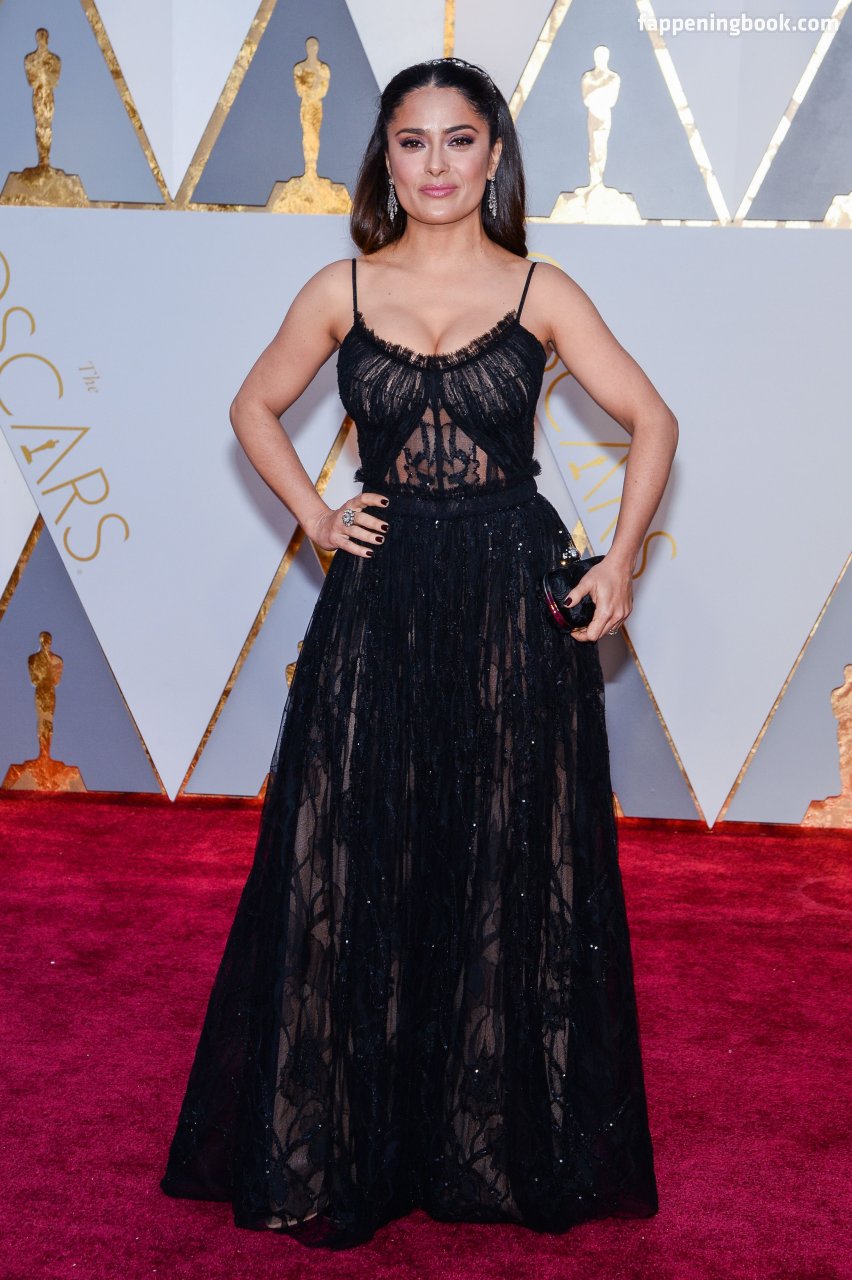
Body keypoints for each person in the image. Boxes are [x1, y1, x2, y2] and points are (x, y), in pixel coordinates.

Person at [160, 56, 678, 1251]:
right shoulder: (340, 285)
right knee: (354, 852)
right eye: (412, 141)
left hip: (509, 608)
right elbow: (251, 406)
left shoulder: (542, 289)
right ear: (385, 159)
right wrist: (318, 513)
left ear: (493, 157)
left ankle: (488, 1143)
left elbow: (654, 419)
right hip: (380, 602)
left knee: (505, 857)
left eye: (458, 139)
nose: (436, 163)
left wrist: (620, 563)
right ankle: (361, 1139)